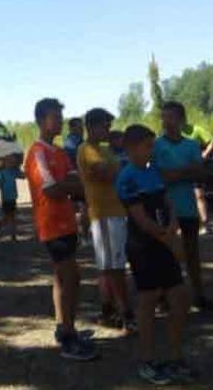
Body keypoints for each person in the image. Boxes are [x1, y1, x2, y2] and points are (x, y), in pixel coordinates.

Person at [116, 124, 193, 385]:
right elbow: (141, 219)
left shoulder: (153, 171)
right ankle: (147, 360)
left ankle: (175, 357)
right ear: (131, 148)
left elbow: (167, 201)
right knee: (148, 301)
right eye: (148, 146)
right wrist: (167, 237)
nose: (152, 151)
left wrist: (173, 223)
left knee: (180, 298)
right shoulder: (126, 177)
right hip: (143, 246)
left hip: (164, 240)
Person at [25, 98, 98, 361]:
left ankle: (62, 327)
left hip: (66, 221)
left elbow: (72, 180)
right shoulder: (37, 152)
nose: (60, 122)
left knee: (61, 277)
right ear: (43, 120)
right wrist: (78, 189)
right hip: (51, 223)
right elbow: (52, 189)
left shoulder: (58, 152)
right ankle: (69, 337)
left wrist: (76, 189)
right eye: (56, 117)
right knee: (72, 277)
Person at [154, 101, 213, 311]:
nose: (165, 122)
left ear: (182, 120)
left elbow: (200, 174)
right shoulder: (156, 145)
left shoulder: (191, 145)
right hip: (165, 207)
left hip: (188, 206)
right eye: (163, 117)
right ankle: (164, 297)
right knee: (165, 253)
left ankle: (199, 295)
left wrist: (177, 173)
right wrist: (186, 171)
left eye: (170, 117)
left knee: (192, 252)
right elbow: (161, 176)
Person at [77, 108, 135, 334]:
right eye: (104, 126)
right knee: (115, 267)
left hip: (114, 212)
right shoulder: (87, 149)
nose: (108, 131)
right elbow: (106, 174)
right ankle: (126, 314)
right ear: (91, 127)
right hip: (104, 213)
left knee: (107, 266)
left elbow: (114, 172)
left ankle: (108, 309)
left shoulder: (104, 150)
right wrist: (123, 167)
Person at [183, 119, 213, 234]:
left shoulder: (196, 129)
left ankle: (205, 224)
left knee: (199, 195)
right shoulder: (170, 133)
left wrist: (205, 154)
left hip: (195, 168)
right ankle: (184, 226)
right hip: (179, 168)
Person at [0, 153, 21, 241]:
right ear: (5, 163)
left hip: (13, 197)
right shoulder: (2, 173)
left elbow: (23, 176)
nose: (11, 164)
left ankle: (13, 235)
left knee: (13, 216)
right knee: (6, 217)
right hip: (6, 198)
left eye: (13, 162)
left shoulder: (14, 172)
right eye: (10, 162)